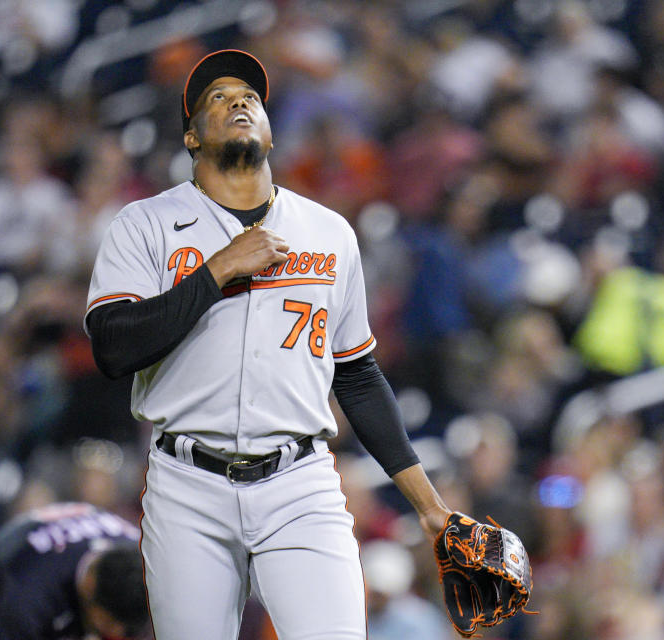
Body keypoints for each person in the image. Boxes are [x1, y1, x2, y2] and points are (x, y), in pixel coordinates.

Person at [85, 49, 452, 639]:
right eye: (217, 99)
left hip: (299, 480)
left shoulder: (329, 232)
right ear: (191, 137)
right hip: (187, 483)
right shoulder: (145, 224)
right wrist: (215, 272)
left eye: (250, 96)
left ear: (272, 133)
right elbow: (112, 348)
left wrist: (430, 506)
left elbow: (356, 375)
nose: (239, 102)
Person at [0, 502, 149, 640]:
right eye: (110, 621)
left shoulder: (141, 553)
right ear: (90, 585)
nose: (119, 632)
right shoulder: (29, 596)